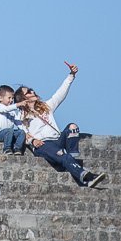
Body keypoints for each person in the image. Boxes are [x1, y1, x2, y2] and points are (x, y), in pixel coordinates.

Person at [15, 61, 108, 189]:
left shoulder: (46, 107)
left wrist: (71, 75)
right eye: (28, 92)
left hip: (57, 139)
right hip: (43, 144)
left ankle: (72, 160)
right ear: (22, 99)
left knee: (72, 127)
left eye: (32, 90)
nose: (32, 91)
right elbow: (21, 132)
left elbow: (60, 94)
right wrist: (32, 141)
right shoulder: (21, 117)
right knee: (62, 155)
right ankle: (87, 177)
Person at [0, 84, 28, 155]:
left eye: (12, 98)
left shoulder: (13, 111)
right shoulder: (0, 107)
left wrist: (26, 132)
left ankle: (17, 148)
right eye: (9, 98)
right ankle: (7, 149)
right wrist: (18, 104)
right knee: (9, 130)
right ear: (1, 98)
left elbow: (17, 122)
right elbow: (6, 109)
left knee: (21, 132)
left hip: (10, 133)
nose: (11, 100)